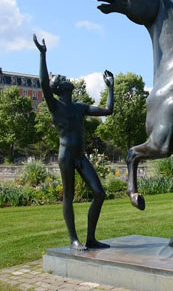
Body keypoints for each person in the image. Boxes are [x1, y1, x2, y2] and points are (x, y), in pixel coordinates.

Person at [34, 34, 114, 250]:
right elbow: (43, 82)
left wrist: (110, 88)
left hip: (80, 156)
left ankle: (91, 239)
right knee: (68, 196)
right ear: (58, 88)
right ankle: (73, 240)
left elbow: (108, 110)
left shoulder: (79, 107)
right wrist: (43, 54)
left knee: (99, 193)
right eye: (61, 77)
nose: (65, 77)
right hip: (66, 156)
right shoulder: (55, 106)